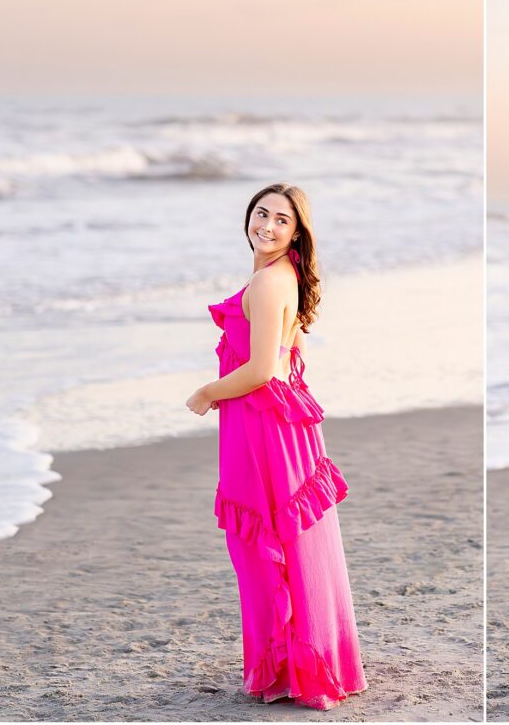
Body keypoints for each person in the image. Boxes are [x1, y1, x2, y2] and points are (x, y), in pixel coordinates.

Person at [186, 183, 367, 709]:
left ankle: (290, 670)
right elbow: (291, 353)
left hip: (262, 426)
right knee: (294, 542)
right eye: (261, 213)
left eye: (281, 219)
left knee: (263, 543)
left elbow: (264, 369)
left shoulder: (269, 281)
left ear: (296, 231)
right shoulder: (285, 274)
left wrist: (207, 392)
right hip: (281, 422)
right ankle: (310, 662)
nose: (266, 225)